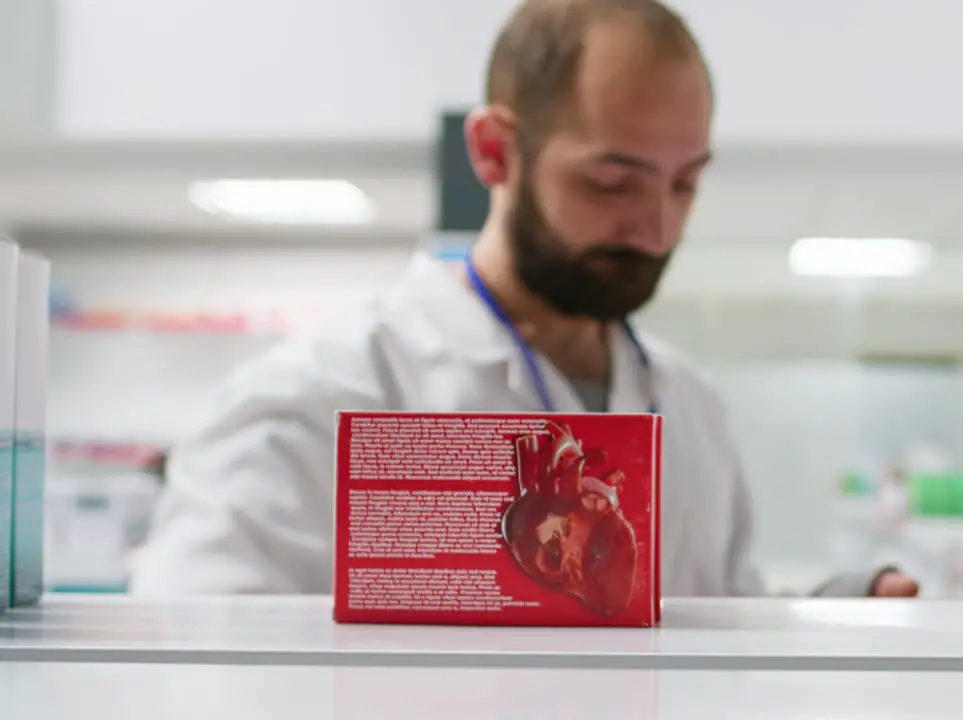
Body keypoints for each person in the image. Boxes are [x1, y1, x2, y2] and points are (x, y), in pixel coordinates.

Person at [130, 0, 919, 599]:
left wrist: (819, 619)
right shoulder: (314, 402)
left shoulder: (691, 408)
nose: (655, 226)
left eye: (685, 182)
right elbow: (201, 664)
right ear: (496, 151)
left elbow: (706, 633)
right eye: (611, 180)